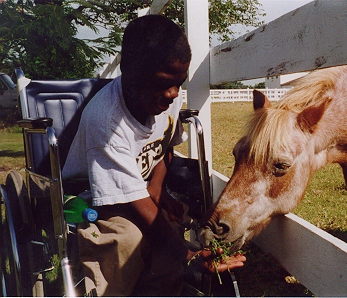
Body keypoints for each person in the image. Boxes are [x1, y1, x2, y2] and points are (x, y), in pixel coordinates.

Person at [62, 15, 246, 296]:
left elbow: (163, 146)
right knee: (130, 239)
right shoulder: (107, 120)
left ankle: (159, 288)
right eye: (163, 83)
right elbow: (125, 198)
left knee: (173, 220)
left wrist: (157, 189)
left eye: (179, 82)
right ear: (129, 70)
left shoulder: (165, 98)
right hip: (93, 198)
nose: (173, 94)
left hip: (136, 192)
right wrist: (187, 254)